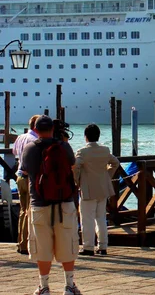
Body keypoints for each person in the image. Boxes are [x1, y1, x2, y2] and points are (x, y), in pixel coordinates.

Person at [20, 115, 81, 295]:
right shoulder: (64, 146)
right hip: (64, 202)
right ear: (53, 129)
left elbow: (24, 171)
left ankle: (44, 287)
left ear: (36, 130)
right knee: (67, 245)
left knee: (42, 247)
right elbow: (72, 165)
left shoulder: (30, 148)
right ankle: (69, 286)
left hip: (39, 203)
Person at [74, 124, 119, 256]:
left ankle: (88, 247)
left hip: (88, 189)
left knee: (87, 218)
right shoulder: (105, 150)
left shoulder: (82, 152)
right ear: (98, 136)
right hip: (103, 188)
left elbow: (75, 166)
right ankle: (103, 246)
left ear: (85, 137)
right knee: (100, 218)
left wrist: (77, 180)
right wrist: (107, 175)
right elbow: (115, 162)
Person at [13, 114, 40, 255]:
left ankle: (20, 242)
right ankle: (25, 245)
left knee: (23, 211)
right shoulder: (35, 140)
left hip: (19, 177)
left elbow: (14, 152)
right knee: (29, 212)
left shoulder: (21, 137)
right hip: (29, 177)